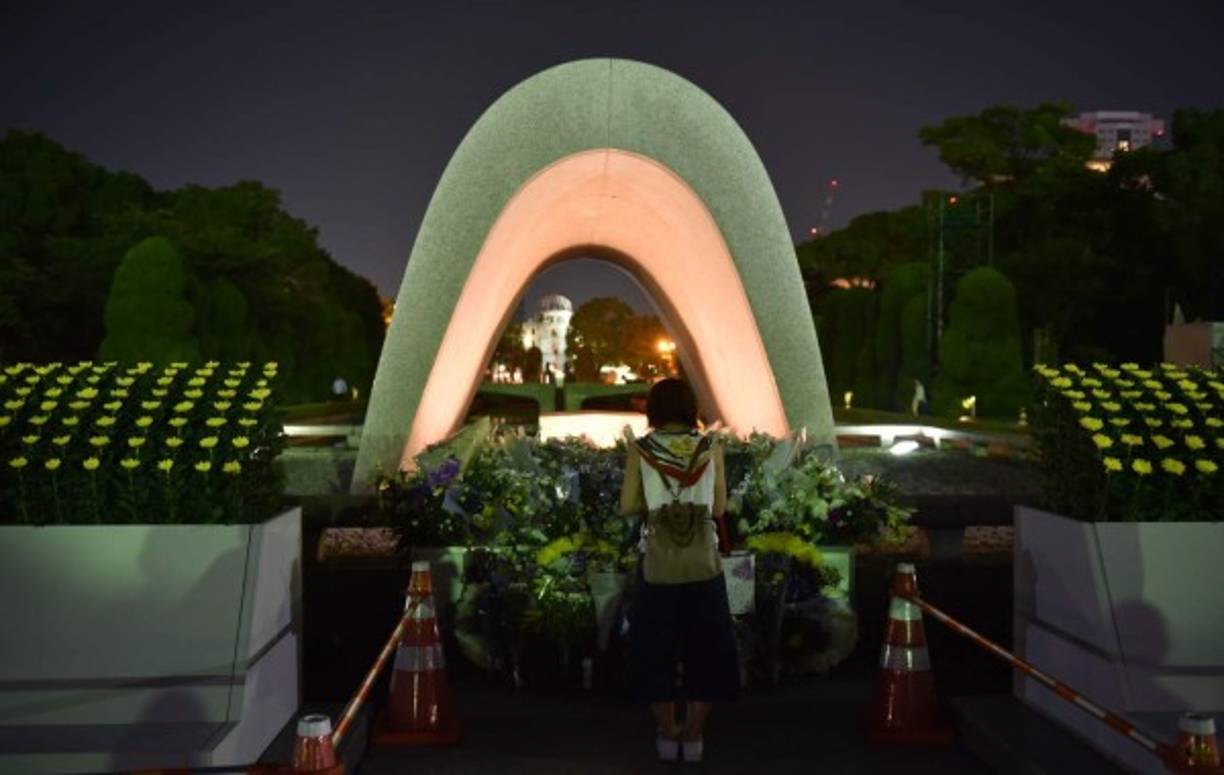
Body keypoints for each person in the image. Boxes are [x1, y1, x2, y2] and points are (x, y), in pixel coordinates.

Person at [619, 378, 738, 764]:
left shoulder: (642, 450)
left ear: (653, 409)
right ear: (691, 407)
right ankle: (694, 732)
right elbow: (719, 508)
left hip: (659, 565)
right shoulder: (710, 448)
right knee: (709, 649)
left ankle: (668, 732)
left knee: (655, 649)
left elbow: (628, 505)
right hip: (704, 564)